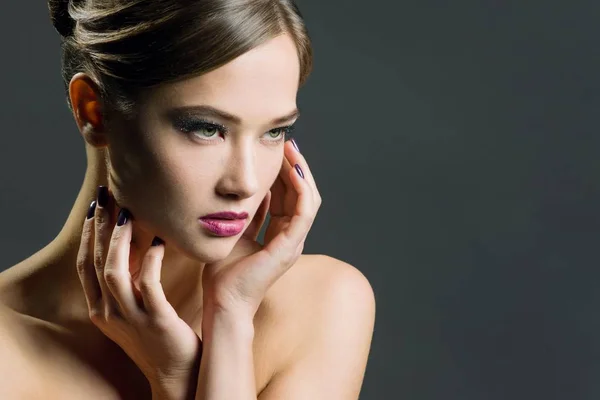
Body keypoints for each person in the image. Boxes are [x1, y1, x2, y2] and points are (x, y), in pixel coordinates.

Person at [0, 0, 376, 398]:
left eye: (274, 132)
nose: (245, 183)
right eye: (206, 129)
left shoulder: (320, 305)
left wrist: (227, 321)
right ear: (94, 111)